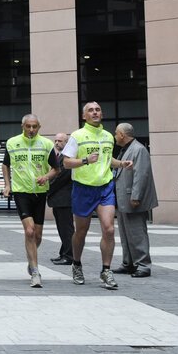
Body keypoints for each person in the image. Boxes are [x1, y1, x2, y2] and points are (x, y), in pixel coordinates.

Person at [61, 102, 132, 290]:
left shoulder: (108, 136)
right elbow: (66, 163)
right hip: (83, 188)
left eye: (98, 109)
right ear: (84, 116)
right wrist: (85, 160)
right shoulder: (77, 136)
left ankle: (106, 270)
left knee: (109, 230)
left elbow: (108, 161)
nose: (95, 112)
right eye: (91, 110)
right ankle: (76, 264)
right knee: (81, 232)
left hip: (105, 187)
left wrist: (122, 164)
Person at [2, 114, 60, 287]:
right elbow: (5, 164)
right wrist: (7, 185)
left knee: (38, 235)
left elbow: (56, 168)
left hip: (40, 193)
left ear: (39, 127)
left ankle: (31, 259)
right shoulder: (12, 143)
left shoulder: (47, 144)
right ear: (23, 126)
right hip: (21, 192)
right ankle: (35, 272)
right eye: (28, 126)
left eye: (34, 126)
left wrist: (46, 177)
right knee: (29, 231)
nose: (31, 130)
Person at [111, 123, 158, 278]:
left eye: (116, 133)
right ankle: (129, 263)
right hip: (124, 197)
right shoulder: (127, 149)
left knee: (137, 233)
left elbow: (141, 175)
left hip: (132, 198)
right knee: (125, 234)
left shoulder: (138, 149)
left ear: (123, 135)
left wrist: (136, 196)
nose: (115, 136)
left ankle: (143, 265)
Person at [48, 133, 74, 265]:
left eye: (60, 141)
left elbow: (60, 178)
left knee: (66, 228)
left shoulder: (67, 157)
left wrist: (47, 188)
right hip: (58, 199)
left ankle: (69, 256)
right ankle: (64, 253)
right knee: (62, 228)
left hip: (65, 199)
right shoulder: (59, 156)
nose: (57, 143)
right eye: (56, 140)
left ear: (67, 142)